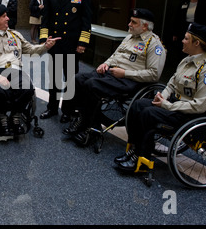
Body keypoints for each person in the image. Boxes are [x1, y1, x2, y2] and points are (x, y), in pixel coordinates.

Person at [115, 23, 206, 171]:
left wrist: (166, 105)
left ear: (197, 43)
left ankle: (142, 160)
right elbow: (172, 83)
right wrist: (162, 95)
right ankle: (134, 149)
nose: (182, 41)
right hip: (175, 105)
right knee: (138, 105)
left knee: (149, 114)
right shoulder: (187, 60)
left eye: (186, 38)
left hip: (191, 114)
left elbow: (199, 106)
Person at [62, 8, 166, 143]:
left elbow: (154, 74)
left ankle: (92, 129)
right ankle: (75, 115)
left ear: (145, 26)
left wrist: (125, 73)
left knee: (91, 85)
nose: (129, 24)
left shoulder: (155, 45)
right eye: (130, 21)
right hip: (112, 73)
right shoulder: (129, 37)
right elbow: (115, 56)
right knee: (78, 79)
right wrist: (105, 64)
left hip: (129, 80)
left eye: (133, 22)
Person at [0, 4, 59, 136]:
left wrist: (45, 46)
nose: (7, 18)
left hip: (15, 71)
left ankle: (16, 115)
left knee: (27, 88)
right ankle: (2, 117)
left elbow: (30, 50)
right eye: (4, 16)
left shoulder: (15, 35)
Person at [39, 0, 92, 123]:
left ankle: (68, 110)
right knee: (53, 78)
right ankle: (52, 108)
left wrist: (82, 43)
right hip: (54, 43)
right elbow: (45, 19)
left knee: (70, 79)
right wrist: (44, 40)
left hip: (71, 44)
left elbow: (86, 20)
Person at [171, 0, 206, 64]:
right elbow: (177, 18)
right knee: (182, 48)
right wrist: (175, 33)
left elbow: (205, 18)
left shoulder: (203, 3)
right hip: (183, 28)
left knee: (193, 48)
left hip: (196, 29)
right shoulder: (184, 2)